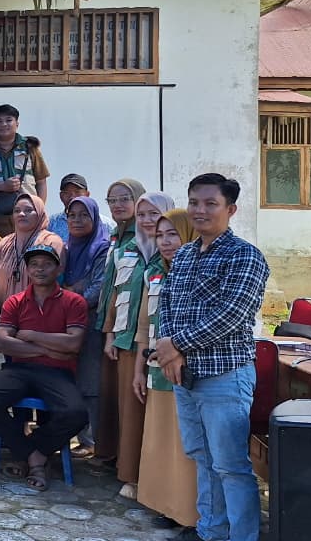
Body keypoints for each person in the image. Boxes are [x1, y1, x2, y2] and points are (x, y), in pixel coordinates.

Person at [155, 174, 268, 541]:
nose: (200, 211)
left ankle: (242, 536)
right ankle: (210, 531)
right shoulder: (185, 253)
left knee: (232, 466)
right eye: (194, 203)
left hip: (224, 378)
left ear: (230, 209)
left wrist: (176, 346)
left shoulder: (245, 256)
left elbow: (231, 314)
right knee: (203, 459)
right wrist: (170, 350)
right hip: (186, 377)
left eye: (210, 204)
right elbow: (168, 304)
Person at [0, 244, 88, 492]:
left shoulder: (73, 302)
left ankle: (31, 452)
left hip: (57, 372)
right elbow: (4, 342)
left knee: (78, 413)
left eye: (46, 264)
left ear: (58, 268)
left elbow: (74, 343)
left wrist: (31, 335)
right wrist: (48, 348)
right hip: (21, 369)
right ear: (27, 270)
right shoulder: (16, 302)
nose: (40, 269)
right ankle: (34, 455)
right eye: (34, 264)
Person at [104, 190, 174, 499]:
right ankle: (131, 475)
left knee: (158, 414)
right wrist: (108, 334)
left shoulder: (173, 253)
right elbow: (113, 294)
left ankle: (157, 480)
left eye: (153, 215)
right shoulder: (125, 248)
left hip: (162, 345)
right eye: (142, 215)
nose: (146, 221)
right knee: (131, 410)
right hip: (127, 339)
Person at [134, 209, 200, 533]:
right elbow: (144, 326)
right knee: (161, 441)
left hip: (186, 371)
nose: (165, 242)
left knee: (185, 445)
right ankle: (167, 505)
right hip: (156, 368)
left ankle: (191, 514)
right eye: (160, 236)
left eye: (173, 234)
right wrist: (137, 370)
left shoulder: (197, 272)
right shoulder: (154, 272)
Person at [93, 177, 147, 469]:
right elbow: (112, 286)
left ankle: (130, 468)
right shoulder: (117, 235)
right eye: (112, 200)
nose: (117, 205)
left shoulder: (145, 237)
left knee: (130, 400)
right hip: (113, 327)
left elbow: (135, 288)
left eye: (124, 198)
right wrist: (107, 330)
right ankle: (111, 455)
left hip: (130, 331)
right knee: (112, 396)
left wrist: (115, 332)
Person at [61, 196, 112, 458]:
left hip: (91, 324)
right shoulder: (68, 248)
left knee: (90, 382)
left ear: (94, 218)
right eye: (72, 215)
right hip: (69, 321)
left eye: (84, 215)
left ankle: (92, 440)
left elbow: (96, 291)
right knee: (72, 378)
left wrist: (68, 296)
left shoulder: (102, 248)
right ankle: (80, 436)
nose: (77, 220)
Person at [0, 104, 50, 235]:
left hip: (28, 217)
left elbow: (41, 182)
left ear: (17, 124)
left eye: (8, 120)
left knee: (28, 254)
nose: (4, 124)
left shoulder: (30, 148)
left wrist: (39, 210)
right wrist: (1, 186)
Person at [0, 193, 64, 304]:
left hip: (39, 314)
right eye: (17, 211)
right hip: (4, 315)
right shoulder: (4, 244)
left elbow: (55, 282)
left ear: (39, 213)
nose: (21, 214)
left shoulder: (51, 242)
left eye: (28, 210)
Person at [48, 173, 113, 244]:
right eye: (67, 193)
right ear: (61, 196)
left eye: (77, 192)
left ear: (87, 194)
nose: (72, 197)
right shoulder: (51, 223)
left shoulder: (106, 223)